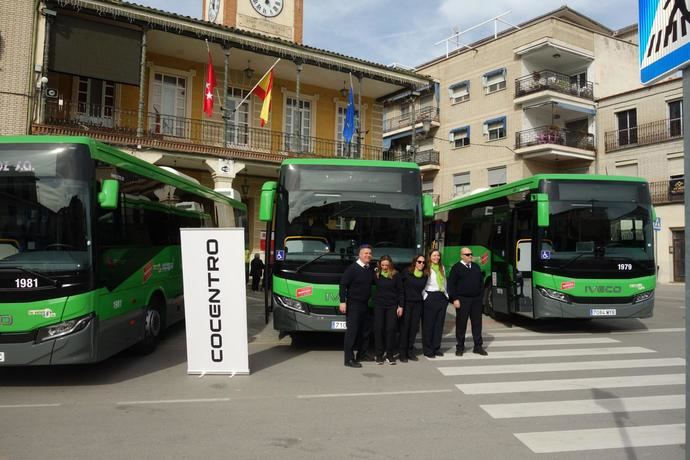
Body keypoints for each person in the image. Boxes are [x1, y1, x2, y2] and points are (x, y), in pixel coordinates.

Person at [339, 244, 375, 368]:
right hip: (354, 305)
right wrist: (342, 301)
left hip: (365, 305)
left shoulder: (369, 269)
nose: (368, 255)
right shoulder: (352, 269)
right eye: (366, 253)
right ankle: (348, 359)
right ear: (359, 254)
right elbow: (343, 285)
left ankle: (362, 354)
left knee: (365, 332)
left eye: (370, 253)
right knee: (352, 333)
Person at [448, 247, 488, 356]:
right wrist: (455, 299)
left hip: (476, 300)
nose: (470, 256)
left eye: (471, 254)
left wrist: (480, 297)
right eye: (467, 254)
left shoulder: (476, 267)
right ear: (461, 256)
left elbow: (481, 283)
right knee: (461, 324)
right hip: (462, 300)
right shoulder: (456, 268)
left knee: (477, 324)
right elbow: (451, 285)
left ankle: (478, 346)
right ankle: (460, 347)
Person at [373, 255, 403, 365]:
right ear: (380, 265)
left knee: (390, 329)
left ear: (390, 264)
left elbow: (400, 291)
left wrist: (401, 306)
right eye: (383, 265)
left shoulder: (396, 275)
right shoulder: (376, 274)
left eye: (387, 265)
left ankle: (390, 355)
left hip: (392, 306)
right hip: (379, 305)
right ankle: (379, 355)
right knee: (379, 329)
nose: (385, 267)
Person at [398, 254, 428, 362]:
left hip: (418, 304)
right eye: (419, 262)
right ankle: (402, 353)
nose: (421, 264)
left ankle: (410, 352)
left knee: (413, 329)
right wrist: (400, 304)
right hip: (406, 303)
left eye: (423, 262)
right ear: (415, 262)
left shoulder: (425, 275)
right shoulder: (406, 272)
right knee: (405, 328)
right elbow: (400, 287)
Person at [422, 249, 448, 358]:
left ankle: (436, 347)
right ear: (430, 256)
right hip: (430, 297)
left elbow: (445, 282)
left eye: (438, 255)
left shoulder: (442, 268)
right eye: (434, 255)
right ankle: (428, 350)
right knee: (429, 325)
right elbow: (421, 284)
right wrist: (425, 296)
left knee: (439, 325)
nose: (436, 257)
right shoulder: (426, 268)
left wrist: (446, 296)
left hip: (441, 296)